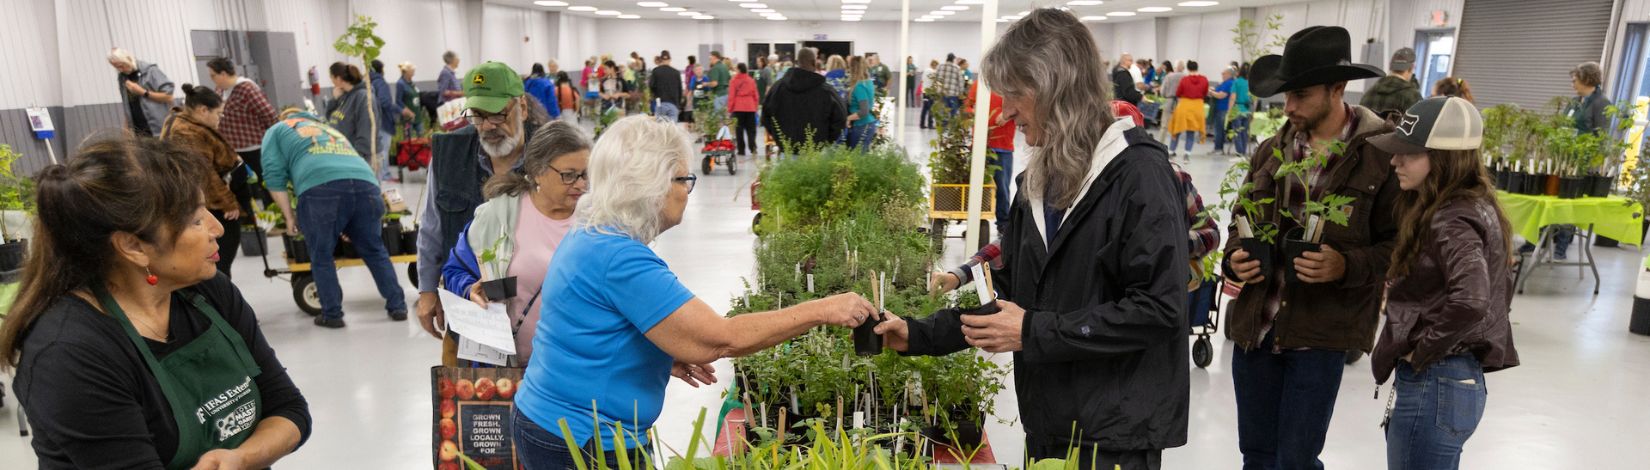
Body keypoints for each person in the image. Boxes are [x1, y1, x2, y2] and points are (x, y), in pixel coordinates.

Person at [877, 10, 1189, 469]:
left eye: (1013, 95)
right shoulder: (1038, 184)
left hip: (1114, 435)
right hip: (1050, 421)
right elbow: (1010, 290)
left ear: (1053, 86)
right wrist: (919, 334)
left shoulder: (1139, 177)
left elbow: (1160, 309)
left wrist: (1032, 331)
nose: (1006, 113)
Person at [511, 116, 875, 466]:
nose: (687, 190)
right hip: (581, 438)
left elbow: (589, 325)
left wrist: (652, 354)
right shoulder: (618, 258)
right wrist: (822, 310)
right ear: (649, 184)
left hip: (553, 420)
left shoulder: (594, 233)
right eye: (683, 178)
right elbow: (719, 339)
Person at [0, 136, 310, 468]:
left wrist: (241, 458)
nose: (216, 228)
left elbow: (289, 409)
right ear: (133, 246)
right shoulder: (68, 353)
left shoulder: (209, 293)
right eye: (194, 220)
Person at [1223, 25, 1398, 470]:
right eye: (1285, 96)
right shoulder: (1271, 151)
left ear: (1337, 88)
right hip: (1256, 331)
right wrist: (1235, 258)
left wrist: (1346, 265)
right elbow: (1238, 223)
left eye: (1300, 95)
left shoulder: (1379, 155)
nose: (1289, 107)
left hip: (1320, 338)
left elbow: (1398, 247)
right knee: (1256, 457)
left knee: (1296, 460)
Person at [1368, 96, 1520, 470]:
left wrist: (1421, 352)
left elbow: (1472, 300)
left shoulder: (1451, 217)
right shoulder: (1476, 205)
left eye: (1408, 153)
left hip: (1437, 380)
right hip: (1455, 382)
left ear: (1443, 158)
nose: (1394, 161)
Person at [416, 62, 551, 349]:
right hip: (469, 314)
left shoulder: (552, 153)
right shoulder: (447, 154)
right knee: (468, 392)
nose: (488, 125)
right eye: (477, 115)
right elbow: (432, 228)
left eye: (498, 114)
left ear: (522, 108)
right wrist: (427, 291)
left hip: (542, 320)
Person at [441, 121, 590, 366]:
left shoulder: (596, 221)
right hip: (508, 372)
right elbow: (454, 271)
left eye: (585, 174)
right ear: (538, 170)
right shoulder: (499, 217)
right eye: (569, 175)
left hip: (575, 370)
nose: (581, 184)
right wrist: (471, 290)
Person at [262, 108, 406, 328]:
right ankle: (398, 306)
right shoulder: (330, 130)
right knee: (375, 249)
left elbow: (273, 176)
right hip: (367, 187)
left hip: (320, 191)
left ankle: (332, 314)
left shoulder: (278, 129)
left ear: (284, 117)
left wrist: (289, 218)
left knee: (321, 255)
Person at [161, 84, 244, 277]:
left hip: (199, 199)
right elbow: (204, 173)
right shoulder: (187, 132)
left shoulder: (179, 121)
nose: (220, 119)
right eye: (218, 114)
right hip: (207, 203)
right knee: (219, 255)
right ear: (203, 110)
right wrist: (227, 202)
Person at [1539, 62, 1612, 261]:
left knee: (1568, 206)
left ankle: (1561, 249)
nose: (1572, 83)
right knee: (1551, 198)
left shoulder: (1601, 103)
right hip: (1562, 159)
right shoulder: (1574, 101)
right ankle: (1537, 242)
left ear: (1587, 80)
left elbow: (1601, 137)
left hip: (1580, 164)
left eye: (1576, 79)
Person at [207, 58, 277, 220]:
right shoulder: (220, 91)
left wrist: (276, 141)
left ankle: (275, 217)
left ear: (223, 74)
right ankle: (248, 220)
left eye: (213, 75)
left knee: (266, 184)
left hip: (255, 148)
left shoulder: (247, 89)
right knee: (238, 186)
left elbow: (269, 115)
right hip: (233, 150)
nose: (212, 79)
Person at [761, 47, 847, 155]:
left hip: (787, 153)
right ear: (814, 62)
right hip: (816, 153)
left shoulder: (777, 88)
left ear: (797, 62)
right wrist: (826, 140)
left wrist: (779, 137)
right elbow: (840, 118)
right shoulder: (826, 91)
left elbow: (765, 115)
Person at [964, 78, 1015, 230]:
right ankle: (975, 221)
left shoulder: (1010, 84)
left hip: (1003, 145)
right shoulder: (978, 85)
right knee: (977, 186)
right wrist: (975, 113)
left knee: (1002, 187)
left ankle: (1004, 224)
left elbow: (1021, 107)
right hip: (980, 145)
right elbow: (967, 107)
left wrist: (1006, 116)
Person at [109, 48, 175, 137]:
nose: (120, 70)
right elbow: (128, 105)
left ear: (128, 59)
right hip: (139, 133)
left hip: (160, 131)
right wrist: (126, 129)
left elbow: (168, 97)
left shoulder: (150, 71)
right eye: (116, 67)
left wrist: (142, 92)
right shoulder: (122, 77)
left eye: (121, 65)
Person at [324, 62, 376, 163]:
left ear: (338, 79)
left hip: (359, 157)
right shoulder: (343, 95)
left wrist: (358, 157)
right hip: (345, 154)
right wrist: (334, 100)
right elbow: (330, 117)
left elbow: (365, 129)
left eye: (332, 78)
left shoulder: (363, 97)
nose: (332, 82)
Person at [1361, 47, 1423, 124]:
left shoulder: (1369, 93)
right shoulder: (1413, 96)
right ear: (1412, 68)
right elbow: (1418, 128)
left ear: (1391, 66)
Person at [369, 60, 406, 182]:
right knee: (384, 149)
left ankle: (381, 175)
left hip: (375, 121)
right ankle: (385, 175)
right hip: (384, 121)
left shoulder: (370, 83)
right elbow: (385, 102)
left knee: (379, 150)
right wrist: (399, 110)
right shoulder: (380, 83)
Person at [1167, 61, 1209, 157]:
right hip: (1198, 106)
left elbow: (1178, 92)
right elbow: (1205, 93)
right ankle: (1187, 153)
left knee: (1177, 129)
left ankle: (1171, 151)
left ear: (1188, 69)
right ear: (1197, 67)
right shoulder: (1204, 79)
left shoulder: (1185, 79)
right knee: (1191, 131)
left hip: (1184, 106)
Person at [844, 56, 880, 152]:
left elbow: (864, 111)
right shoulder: (868, 82)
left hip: (862, 125)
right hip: (868, 124)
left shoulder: (859, 86)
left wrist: (848, 118)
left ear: (853, 68)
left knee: (857, 159)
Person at [729, 63, 761, 156]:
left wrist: (730, 109)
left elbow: (731, 96)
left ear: (738, 70)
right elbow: (756, 96)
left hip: (738, 108)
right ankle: (753, 147)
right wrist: (755, 107)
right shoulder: (751, 80)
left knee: (739, 130)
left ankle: (741, 150)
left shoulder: (734, 81)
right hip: (750, 107)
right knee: (751, 129)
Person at [649, 50, 685, 123]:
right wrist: (679, 105)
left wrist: (655, 96)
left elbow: (651, 86)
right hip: (673, 104)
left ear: (661, 59)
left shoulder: (656, 71)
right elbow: (680, 90)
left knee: (660, 128)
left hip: (660, 103)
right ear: (670, 59)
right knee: (672, 129)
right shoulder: (676, 72)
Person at [1210, 67, 1237, 156]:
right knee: (1217, 130)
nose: (1222, 75)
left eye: (1223, 73)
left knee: (1220, 130)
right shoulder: (1224, 83)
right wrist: (1213, 91)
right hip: (1219, 109)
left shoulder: (1229, 83)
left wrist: (1211, 92)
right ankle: (1217, 148)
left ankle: (1219, 149)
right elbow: (1218, 91)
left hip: (1223, 109)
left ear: (1229, 74)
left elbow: (1221, 95)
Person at [1229, 63, 1254, 157]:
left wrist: (1230, 111)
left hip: (1237, 109)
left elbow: (1232, 97)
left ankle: (1239, 152)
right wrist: (1252, 112)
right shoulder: (1251, 83)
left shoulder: (1237, 82)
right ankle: (1243, 151)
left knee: (1237, 132)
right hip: (1247, 110)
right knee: (1244, 132)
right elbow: (1254, 99)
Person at [934, 54, 966, 118]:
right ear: (953, 59)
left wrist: (936, 90)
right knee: (953, 113)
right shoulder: (957, 68)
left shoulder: (939, 66)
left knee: (942, 112)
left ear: (947, 58)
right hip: (953, 95)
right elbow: (961, 82)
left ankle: (943, 126)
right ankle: (951, 126)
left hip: (941, 94)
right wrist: (961, 93)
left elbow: (935, 78)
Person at [397, 62, 425, 134]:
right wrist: (408, 112)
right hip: (408, 118)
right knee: (408, 140)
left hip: (418, 116)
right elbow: (398, 101)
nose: (414, 72)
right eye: (412, 71)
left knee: (421, 139)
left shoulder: (412, 83)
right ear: (406, 72)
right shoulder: (400, 83)